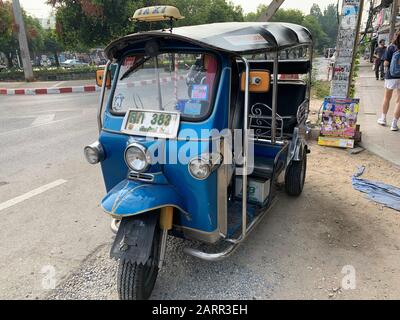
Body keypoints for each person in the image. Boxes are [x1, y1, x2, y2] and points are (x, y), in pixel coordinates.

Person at [377, 32, 400, 131]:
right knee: (399, 101)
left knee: (387, 98)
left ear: (396, 36)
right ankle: (394, 124)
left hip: (391, 76)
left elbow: (386, 63)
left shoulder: (391, 47)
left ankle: (383, 119)